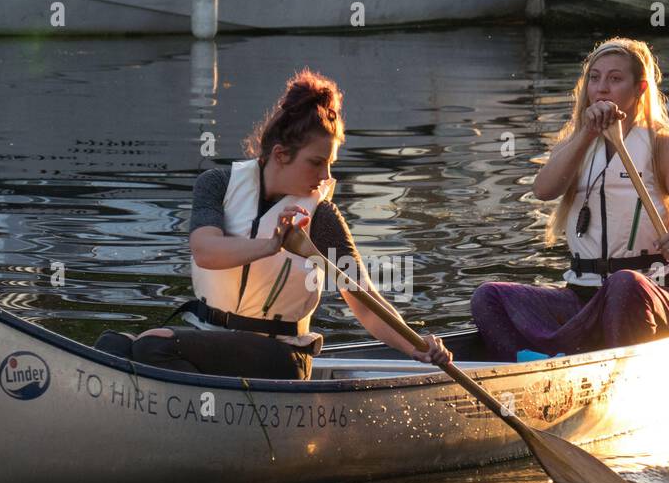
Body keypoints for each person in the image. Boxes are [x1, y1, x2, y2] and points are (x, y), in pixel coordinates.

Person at [95, 69, 451, 380]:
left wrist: (418, 347)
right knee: (110, 346)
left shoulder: (321, 217)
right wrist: (270, 245)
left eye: (329, 163)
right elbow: (205, 252)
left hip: (281, 357)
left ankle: (209, 429)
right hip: (210, 339)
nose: (326, 176)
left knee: (155, 348)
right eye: (316, 163)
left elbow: (363, 301)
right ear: (281, 155)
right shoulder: (217, 184)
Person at [470, 37, 669, 362]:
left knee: (624, 283)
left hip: (649, 291)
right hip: (582, 296)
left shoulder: (664, 145)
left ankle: (615, 373)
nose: (602, 88)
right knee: (488, 297)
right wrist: (586, 133)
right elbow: (543, 190)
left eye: (615, 79)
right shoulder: (577, 143)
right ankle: (529, 365)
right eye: (595, 78)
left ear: (639, 88)